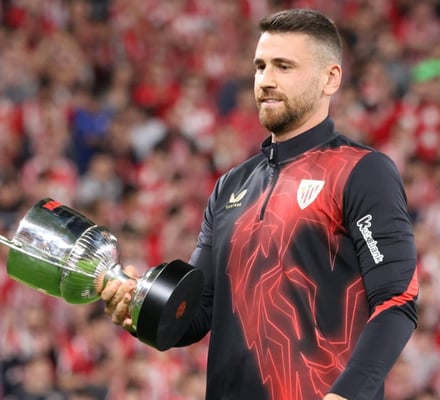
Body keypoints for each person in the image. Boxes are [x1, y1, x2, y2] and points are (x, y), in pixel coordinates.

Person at [100, 9, 418, 400]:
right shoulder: (230, 186)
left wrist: (345, 396)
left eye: (284, 66)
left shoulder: (362, 171)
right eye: (260, 66)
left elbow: (397, 301)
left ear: (330, 78)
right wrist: (139, 308)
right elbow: (196, 313)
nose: (266, 80)